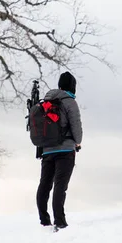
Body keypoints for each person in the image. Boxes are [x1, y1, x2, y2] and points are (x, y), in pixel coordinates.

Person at [36, 71, 83, 229]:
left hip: (47, 150)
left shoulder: (47, 101)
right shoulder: (70, 101)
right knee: (60, 186)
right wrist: (78, 142)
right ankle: (60, 221)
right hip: (65, 150)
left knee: (45, 184)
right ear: (73, 86)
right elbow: (76, 125)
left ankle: (44, 220)